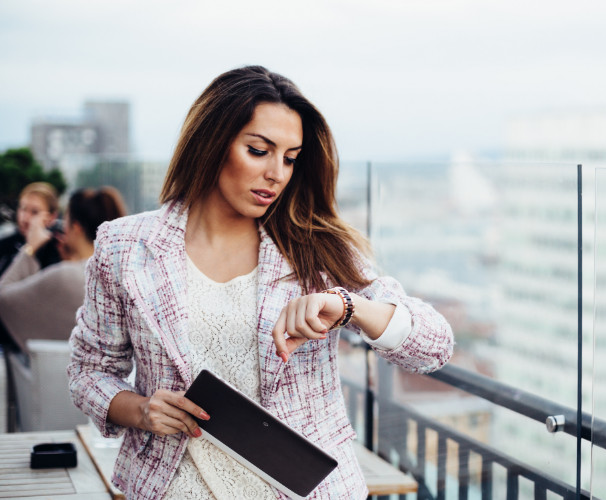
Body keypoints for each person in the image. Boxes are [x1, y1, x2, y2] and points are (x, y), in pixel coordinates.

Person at [68, 66, 454, 500]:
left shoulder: (316, 250)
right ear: (212, 143)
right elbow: (90, 372)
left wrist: (347, 306)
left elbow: (434, 346)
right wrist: (141, 410)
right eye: (259, 150)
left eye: (290, 158)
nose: (277, 173)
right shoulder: (125, 247)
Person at [0, 187, 126, 356]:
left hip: (48, 380)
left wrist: (30, 249)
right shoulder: (120, 274)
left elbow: (3, 299)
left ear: (76, 227)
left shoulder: (65, 276)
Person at [0, 182, 63, 277]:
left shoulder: (57, 251)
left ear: (52, 217)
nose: (25, 218)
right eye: (23, 209)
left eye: (34, 212)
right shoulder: (5, 243)